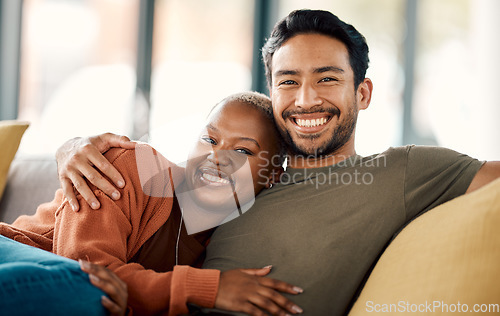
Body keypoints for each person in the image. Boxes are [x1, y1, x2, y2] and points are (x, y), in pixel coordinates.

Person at [55, 9, 500, 315]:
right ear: (274, 94)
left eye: (327, 78)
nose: (306, 100)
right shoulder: (239, 182)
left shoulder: (404, 173)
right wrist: (74, 145)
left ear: (362, 93)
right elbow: (116, 221)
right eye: (289, 82)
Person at [1, 92, 305, 316]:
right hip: (14, 252)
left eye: (243, 151)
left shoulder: (227, 246)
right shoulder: (132, 166)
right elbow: (85, 268)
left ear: (272, 175)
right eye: (210, 140)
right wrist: (206, 288)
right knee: (90, 295)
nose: (216, 158)